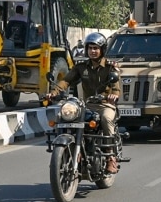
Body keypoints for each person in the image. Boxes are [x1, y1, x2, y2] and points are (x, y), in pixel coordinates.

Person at [45, 32, 121, 174]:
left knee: (106, 119)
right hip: (87, 105)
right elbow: (66, 80)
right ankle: (72, 150)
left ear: (102, 49)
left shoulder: (110, 67)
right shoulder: (81, 67)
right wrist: (53, 92)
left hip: (105, 105)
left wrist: (113, 96)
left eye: (96, 48)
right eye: (90, 48)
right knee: (64, 116)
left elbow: (116, 87)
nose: (92, 51)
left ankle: (111, 156)